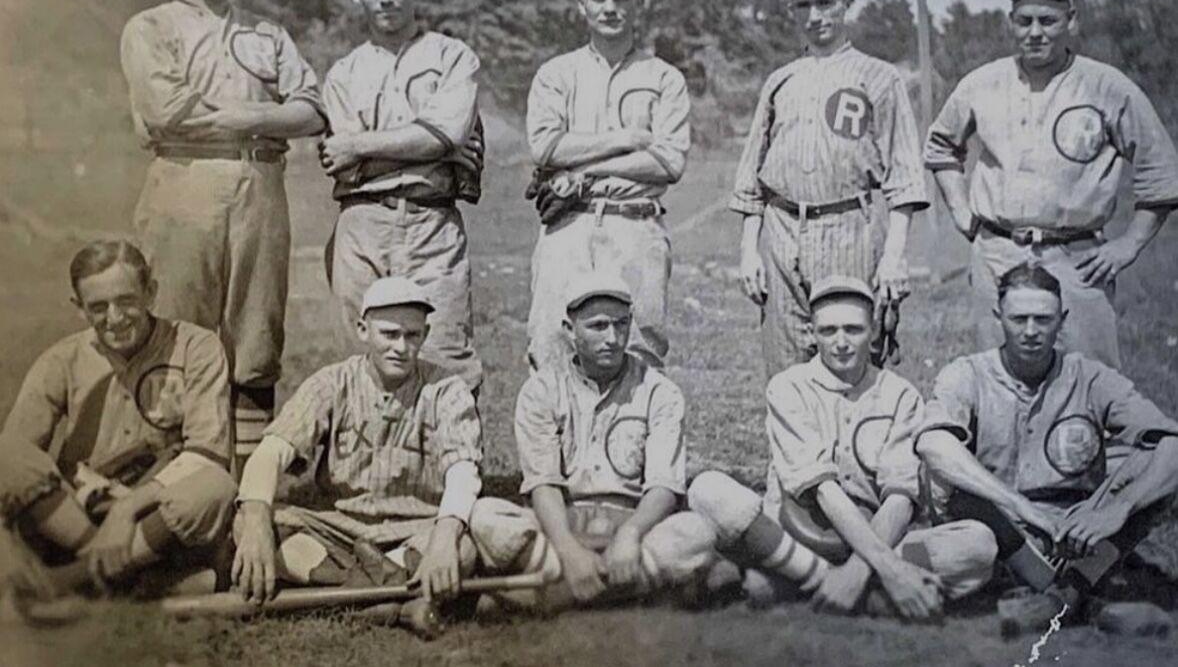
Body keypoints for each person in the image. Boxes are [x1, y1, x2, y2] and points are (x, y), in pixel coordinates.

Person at [120, 0, 326, 470]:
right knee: (174, 331)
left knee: (256, 339)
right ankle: (171, 480)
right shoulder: (152, 26)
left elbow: (311, 110)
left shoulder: (268, 34)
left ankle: (247, 493)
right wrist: (259, 113)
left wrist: (237, 119)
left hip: (260, 187)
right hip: (185, 181)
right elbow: (166, 113)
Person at [688, 276, 995, 619]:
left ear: (874, 330)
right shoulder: (788, 387)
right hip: (793, 536)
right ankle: (841, 588)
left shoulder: (901, 394)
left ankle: (791, 585)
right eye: (828, 331)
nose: (841, 343)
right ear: (811, 332)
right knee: (708, 489)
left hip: (879, 538)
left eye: (853, 329)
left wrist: (861, 567)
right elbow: (822, 489)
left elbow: (900, 497)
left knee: (977, 545)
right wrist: (885, 572)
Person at [923, 0, 1178, 368]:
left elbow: (1160, 169)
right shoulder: (983, 83)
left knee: (1090, 379)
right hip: (999, 252)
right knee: (995, 376)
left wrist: (1128, 245)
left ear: (1071, 20)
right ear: (1011, 23)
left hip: (1077, 256)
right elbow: (940, 144)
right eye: (1024, 21)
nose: (1035, 32)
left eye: (1048, 21)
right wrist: (960, 211)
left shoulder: (1107, 86)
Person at [915, 262, 1178, 636]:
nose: (1031, 332)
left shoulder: (1089, 376)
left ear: (1062, 320)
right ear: (998, 318)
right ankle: (1076, 598)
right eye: (1019, 319)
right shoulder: (967, 373)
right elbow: (932, 443)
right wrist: (1018, 506)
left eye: (1043, 319)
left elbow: (1171, 442)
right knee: (955, 508)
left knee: (1157, 464)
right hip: (998, 525)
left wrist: (1117, 509)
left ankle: (1053, 596)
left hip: (1074, 528)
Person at [231, 277, 483, 629]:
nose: (401, 347)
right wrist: (258, 522)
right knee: (248, 521)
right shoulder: (332, 383)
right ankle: (390, 597)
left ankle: (355, 595)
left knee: (464, 546)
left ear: (424, 336)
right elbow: (271, 452)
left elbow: (463, 471)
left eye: (412, 335)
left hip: (414, 530)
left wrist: (443, 538)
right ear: (363, 330)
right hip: (339, 531)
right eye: (389, 334)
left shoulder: (446, 388)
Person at [0, 240, 236, 602]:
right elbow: (15, 457)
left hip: (152, 515)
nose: (115, 317)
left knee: (215, 486)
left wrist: (126, 509)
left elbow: (208, 454)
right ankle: (127, 576)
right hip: (75, 517)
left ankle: (68, 582)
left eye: (126, 300)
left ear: (150, 293)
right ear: (79, 309)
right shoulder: (61, 359)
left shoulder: (196, 347)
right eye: (99, 307)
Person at [469, 273, 716, 609]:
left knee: (698, 531)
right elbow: (543, 484)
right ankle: (629, 588)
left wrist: (630, 535)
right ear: (570, 331)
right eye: (598, 326)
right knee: (485, 515)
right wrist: (570, 551)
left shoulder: (660, 391)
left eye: (621, 324)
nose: (612, 338)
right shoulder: (541, 390)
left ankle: (547, 594)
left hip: (631, 528)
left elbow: (664, 487)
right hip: (562, 528)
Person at [732, 0, 928, 377]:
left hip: (848, 227)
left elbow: (906, 179)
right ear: (792, 12)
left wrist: (894, 256)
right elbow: (751, 180)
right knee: (784, 369)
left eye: (825, 3)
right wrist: (749, 251)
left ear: (847, 6)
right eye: (803, 6)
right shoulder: (780, 80)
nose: (815, 16)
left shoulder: (879, 77)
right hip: (781, 230)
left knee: (850, 360)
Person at [320, 0, 484, 391]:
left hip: (431, 220)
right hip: (362, 221)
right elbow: (344, 160)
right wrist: (430, 146)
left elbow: (448, 132)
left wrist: (367, 146)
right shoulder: (343, 73)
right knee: (360, 359)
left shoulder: (452, 56)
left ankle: (457, 462)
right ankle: (371, 463)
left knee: (446, 354)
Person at [525, 0, 691, 371]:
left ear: (640, 3)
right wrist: (627, 140)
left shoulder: (664, 78)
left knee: (638, 352)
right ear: (582, 4)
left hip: (634, 226)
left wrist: (583, 169)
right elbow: (545, 148)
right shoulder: (556, 74)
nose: (610, 7)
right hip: (569, 226)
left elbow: (668, 163)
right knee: (552, 348)